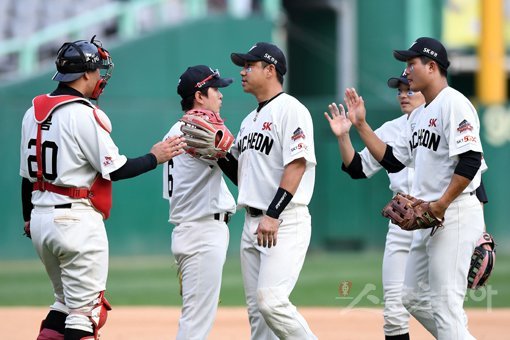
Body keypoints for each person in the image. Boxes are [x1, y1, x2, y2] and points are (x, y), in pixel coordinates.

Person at [19, 36, 185, 340]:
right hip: (75, 221)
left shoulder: (33, 111)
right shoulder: (82, 113)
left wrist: (29, 217)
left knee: (65, 305)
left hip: (41, 219)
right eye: (97, 71)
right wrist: (155, 157)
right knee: (87, 314)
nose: (100, 78)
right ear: (85, 74)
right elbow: (116, 168)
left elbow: (26, 178)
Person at [343, 37, 485, 339]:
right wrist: (361, 126)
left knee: (445, 309)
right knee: (410, 298)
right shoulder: (420, 116)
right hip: (430, 216)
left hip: (454, 212)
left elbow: (471, 161)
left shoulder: (454, 103)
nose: (406, 71)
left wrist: (441, 204)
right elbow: (394, 161)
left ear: (432, 67)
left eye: (412, 64)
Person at [221, 42, 317, 339]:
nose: (242, 71)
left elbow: (297, 165)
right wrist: (218, 153)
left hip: (283, 219)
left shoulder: (291, 110)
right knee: (258, 317)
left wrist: (273, 214)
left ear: (270, 70)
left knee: (271, 301)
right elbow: (244, 176)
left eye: (249, 66)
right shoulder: (249, 121)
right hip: (253, 221)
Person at [325, 71, 425, 340]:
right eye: (400, 90)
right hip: (402, 226)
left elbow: (471, 175)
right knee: (394, 315)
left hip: (437, 223)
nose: (403, 94)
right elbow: (357, 168)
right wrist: (344, 136)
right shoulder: (392, 129)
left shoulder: (445, 119)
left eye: (409, 89)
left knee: (439, 307)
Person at [162, 65, 236, 339]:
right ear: (199, 96)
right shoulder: (198, 127)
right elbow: (241, 173)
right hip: (202, 232)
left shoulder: (174, 130)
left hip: (189, 229)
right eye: (216, 89)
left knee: (195, 319)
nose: (221, 95)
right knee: (195, 325)